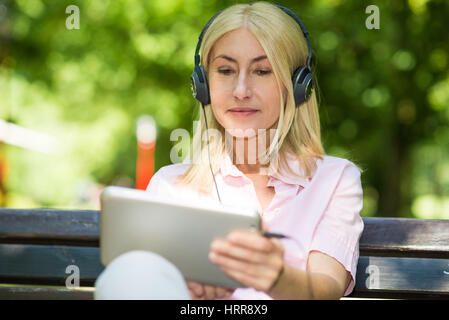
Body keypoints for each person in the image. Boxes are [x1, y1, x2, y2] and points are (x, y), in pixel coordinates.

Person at [95, 1, 364, 300]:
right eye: (225, 70)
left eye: (262, 71)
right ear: (203, 85)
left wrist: (277, 277)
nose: (241, 90)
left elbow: (326, 290)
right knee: (127, 271)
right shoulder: (170, 185)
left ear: (298, 86)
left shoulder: (335, 179)